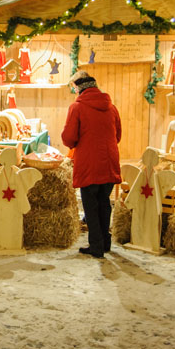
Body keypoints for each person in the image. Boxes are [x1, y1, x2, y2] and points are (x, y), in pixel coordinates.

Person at [61, 70, 122, 259]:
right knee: (104, 202)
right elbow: (118, 135)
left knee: (90, 205)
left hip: (89, 162)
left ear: (79, 87)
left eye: (74, 88)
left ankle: (96, 245)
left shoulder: (77, 108)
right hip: (109, 161)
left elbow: (69, 138)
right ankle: (105, 242)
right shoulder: (111, 108)